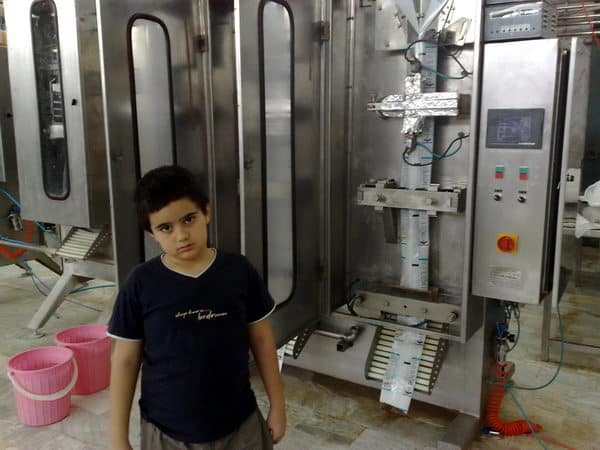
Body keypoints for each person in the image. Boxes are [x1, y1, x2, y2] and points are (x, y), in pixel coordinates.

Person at [107, 165, 285, 450]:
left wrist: (278, 405)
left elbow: (263, 341)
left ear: (207, 212)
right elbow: (125, 360)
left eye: (189, 219)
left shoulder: (238, 271)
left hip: (241, 426)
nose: (181, 235)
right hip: (166, 433)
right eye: (166, 228)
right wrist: (117, 437)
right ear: (151, 232)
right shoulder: (140, 283)